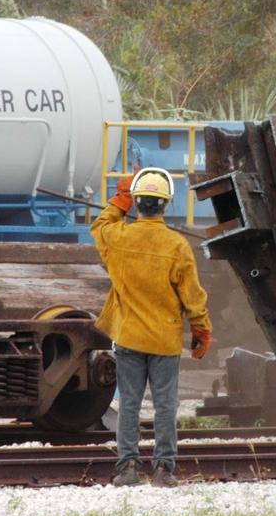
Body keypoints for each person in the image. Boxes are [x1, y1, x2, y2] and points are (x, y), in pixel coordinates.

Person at [91, 166, 212, 487]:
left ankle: (128, 468)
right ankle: (164, 470)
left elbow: (100, 224)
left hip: (129, 337)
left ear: (138, 202)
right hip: (165, 341)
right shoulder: (177, 247)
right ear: (165, 204)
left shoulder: (117, 239)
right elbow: (193, 296)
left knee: (129, 404)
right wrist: (201, 329)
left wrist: (120, 198)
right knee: (165, 405)